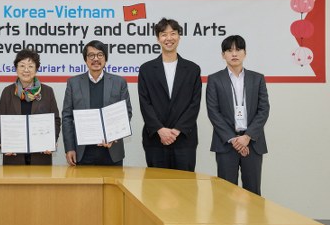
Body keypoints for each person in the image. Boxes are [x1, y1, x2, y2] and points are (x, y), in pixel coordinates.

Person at [206, 35, 270, 195]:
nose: (234, 54)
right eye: (229, 50)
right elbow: (213, 112)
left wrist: (247, 136)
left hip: (252, 143)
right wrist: (233, 139)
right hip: (226, 144)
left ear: (245, 53)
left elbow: (263, 109)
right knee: (225, 194)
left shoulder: (257, 78)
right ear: (223, 55)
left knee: (253, 193)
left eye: (238, 49)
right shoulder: (214, 79)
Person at [137, 18, 202, 171]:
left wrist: (177, 130)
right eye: (164, 34)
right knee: (157, 184)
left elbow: (194, 104)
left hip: (184, 139)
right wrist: (160, 130)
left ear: (179, 36)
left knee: (185, 184)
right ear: (158, 38)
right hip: (156, 139)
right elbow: (145, 104)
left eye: (173, 33)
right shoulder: (146, 69)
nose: (169, 38)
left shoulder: (193, 69)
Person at [62, 40, 132, 166]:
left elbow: (126, 113)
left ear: (105, 58)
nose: (96, 59)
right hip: (83, 152)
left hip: (112, 151)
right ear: (85, 59)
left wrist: (114, 136)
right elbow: (67, 117)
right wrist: (69, 148)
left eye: (100, 55)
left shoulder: (119, 82)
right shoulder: (73, 83)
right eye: (91, 55)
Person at [0, 49, 61, 165]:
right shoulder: (7, 92)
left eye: (30, 66)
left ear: (36, 69)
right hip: (14, 155)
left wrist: (51, 141)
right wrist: (3, 143)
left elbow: (55, 120)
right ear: (16, 69)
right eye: (22, 66)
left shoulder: (47, 91)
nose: (26, 70)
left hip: (40, 155)